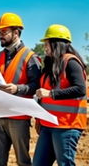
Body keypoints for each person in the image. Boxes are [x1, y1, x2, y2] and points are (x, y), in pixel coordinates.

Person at [0, 12, 41, 166]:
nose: (0, 35)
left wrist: (17, 89)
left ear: (16, 32)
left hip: (18, 118)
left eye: (4, 32)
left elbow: (37, 86)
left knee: (23, 161)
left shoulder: (30, 57)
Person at [33, 24, 87, 166]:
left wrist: (51, 93)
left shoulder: (71, 62)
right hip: (48, 124)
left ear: (57, 44)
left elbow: (80, 89)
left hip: (67, 125)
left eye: (47, 44)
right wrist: (39, 118)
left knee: (65, 163)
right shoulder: (51, 65)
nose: (45, 47)